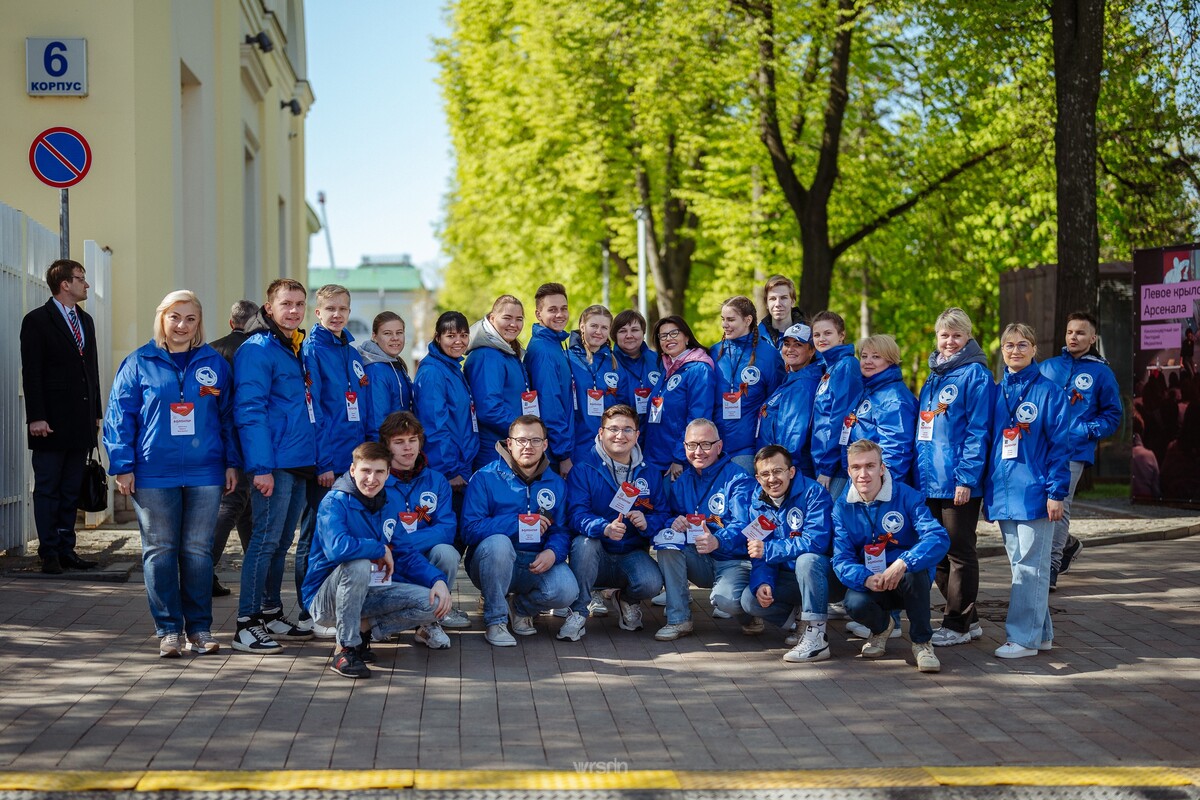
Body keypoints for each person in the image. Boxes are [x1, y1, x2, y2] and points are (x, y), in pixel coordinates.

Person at [103, 291, 239, 657]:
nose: (182, 325)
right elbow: (120, 417)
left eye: (190, 318)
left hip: (205, 472)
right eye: (175, 317)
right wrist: (122, 465)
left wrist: (231, 462)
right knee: (160, 550)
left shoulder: (214, 362)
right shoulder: (138, 362)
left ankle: (199, 629)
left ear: (199, 322)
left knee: (197, 551)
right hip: (153, 473)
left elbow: (228, 417)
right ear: (162, 318)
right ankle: (168, 630)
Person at [301, 442, 451, 679]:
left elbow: (405, 553)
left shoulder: (388, 504)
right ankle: (346, 649)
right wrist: (378, 548)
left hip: (370, 592)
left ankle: (363, 631)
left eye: (379, 472)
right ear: (352, 471)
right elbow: (337, 549)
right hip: (325, 600)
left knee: (434, 603)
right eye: (365, 471)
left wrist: (437, 580)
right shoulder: (334, 502)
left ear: (388, 473)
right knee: (358, 563)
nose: (372, 479)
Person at [232, 278, 320, 653]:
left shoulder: (295, 347)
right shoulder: (257, 349)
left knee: (282, 541)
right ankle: (246, 625)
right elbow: (250, 411)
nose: (294, 311)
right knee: (264, 542)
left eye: (300, 304)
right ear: (269, 308)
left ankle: (268, 611)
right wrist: (261, 467)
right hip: (275, 464)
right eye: (286, 304)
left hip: (300, 460)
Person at [985, 323, 1071, 659]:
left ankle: (1023, 639)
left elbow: (1060, 446)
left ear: (1035, 349)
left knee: (1030, 568)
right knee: (1023, 567)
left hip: (1035, 492)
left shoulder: (1050, 392)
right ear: (1002, 350)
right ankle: (1043, 633)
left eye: (1023, 345)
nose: (1015, 351)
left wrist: (1056, 492)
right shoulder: (996, 392)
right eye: (1009, 345)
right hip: (1005, 493)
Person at [832, 440, 950, 673]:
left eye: (870, 466)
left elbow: (938, 537)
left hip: (905, 579)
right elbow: (841, 559)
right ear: (849, 471)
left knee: (915, 574)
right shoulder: (842, 507)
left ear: (882, 468)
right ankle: (882, 628)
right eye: (856, 467)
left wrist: (904, 562)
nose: (863, 474)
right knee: (853, 603)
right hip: (873, 580)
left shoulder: (907, 496)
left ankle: (922, 643)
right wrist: (865, 578)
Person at [913, 308, 993, 647]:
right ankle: (969, 619)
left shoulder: (975, 374)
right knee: (939, 553)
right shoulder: (934, 374)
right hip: (931, 480)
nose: (950, 341)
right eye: (944, 335)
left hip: (957, 480)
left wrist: (966, 479)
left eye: (957, 335)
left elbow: (978, 431)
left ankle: (957, 623)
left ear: (968, 337)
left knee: (960, 553)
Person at [461, 416, 578, 646]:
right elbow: (469, 530)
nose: (528, 446)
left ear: (545, 445)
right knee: (499, 544)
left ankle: (519, 609)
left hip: (534, 561)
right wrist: (518, 523)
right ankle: (495, 620)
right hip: (491, 561)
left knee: (567, 590)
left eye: (535, 440)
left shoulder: (556, 483)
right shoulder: (485, 478)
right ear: (509, 443)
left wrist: (553, 552)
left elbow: (562, 531)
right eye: (521, 440)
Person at [296, 284, 371, 636]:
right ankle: (307, 608)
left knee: (344, 532)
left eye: (343, 308)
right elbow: (316, 411)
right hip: (328, 463)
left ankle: (337, 604)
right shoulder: (312, 350)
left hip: (355, 463)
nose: (338, 315)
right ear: (318, 313)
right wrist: (323, 463)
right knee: (315, 535)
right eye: (331, 310)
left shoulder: (352, 352)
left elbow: (363, 403)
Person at [20, 259, 102, 575]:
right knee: (48, 488)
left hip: (80, 420)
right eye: (81, 279)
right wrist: (36, 417)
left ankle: (68, 549)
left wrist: (95, 413)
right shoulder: (38, 321)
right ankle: (49, 551)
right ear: (64, 284)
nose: (87, 284)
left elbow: (90, 370)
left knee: (71, 488)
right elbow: (33, 372)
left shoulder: (86, 320)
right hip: (49, 423)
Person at [560, 405, 667, 641]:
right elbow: (575, 514)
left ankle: (625, 599)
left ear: (637, 435)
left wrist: (647, 522)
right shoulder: (584, 469)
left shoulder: (649, 472)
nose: (620, 435)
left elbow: (662, 512)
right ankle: (578, 612)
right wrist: (603, 527)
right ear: (600, 433)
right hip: (595, 552)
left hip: (630, 551)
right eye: (614, 429)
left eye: (628, 429)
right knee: (584, 543)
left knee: (651, 583)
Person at [1038, 312, 1123, 588]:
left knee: (1059, 503)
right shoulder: (1048, 367)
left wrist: (1085, 430)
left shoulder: (1102, 373)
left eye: (1080, 333)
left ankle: (1050, 567)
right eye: (1070, 332)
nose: (1074, 337)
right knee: (1040, 504)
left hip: (1074, 450)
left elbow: (1112, 415)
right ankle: (1068, 546)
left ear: (1092, 338)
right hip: (1041, 449)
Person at [654, 419, 760, 640]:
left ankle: (750, 614)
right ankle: (679, 619)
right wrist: (674, 523)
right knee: (668, 544)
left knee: (726, 601)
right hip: (700, 558)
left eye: (705, 445)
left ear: (719, 447)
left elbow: (745, 526)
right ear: (684, 448)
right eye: (692, 445)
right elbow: (670, 515)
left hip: (732, 559)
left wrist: (718, 540)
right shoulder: (683, 481)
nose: (698, 452)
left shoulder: (738, 479)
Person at [379, 411, 471, 647]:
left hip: (412, 553)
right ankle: (385, 617)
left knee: (447, 552)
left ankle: (430, 623)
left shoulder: (436, 480)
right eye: (399, 442)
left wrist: (402, 546)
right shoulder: (378, 481)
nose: (407, 448)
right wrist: (393, 549)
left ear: (421, 442)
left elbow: (446, 529)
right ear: (387, 446)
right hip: (386, 561)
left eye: (413, 440)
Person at [738, 445, 837, 663]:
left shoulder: (814, 493)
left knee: (807, 560)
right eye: (765, 474)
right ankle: (800, 621)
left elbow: (816, 542)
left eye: (777, 471)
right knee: (750, 600)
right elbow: (759, 552)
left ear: (790, 472)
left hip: (822, 576)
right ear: (757, 478)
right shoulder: (757, 502)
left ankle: (817, 636)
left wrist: (770, 549)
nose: (771, 479)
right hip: (788, 578)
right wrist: (763, 582)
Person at [208, 299, 259, 597]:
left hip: (218, 434)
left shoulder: (211, 351)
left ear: (231, 322)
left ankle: (258, 575)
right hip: (247, 435)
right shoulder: (258, 352)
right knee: (234, 503)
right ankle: (202, 571)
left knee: (245, 507)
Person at [413, 311, 479, 515]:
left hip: (463, 466)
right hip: (449, 474)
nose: (458, 341)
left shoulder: (452, 368)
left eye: (463, 335)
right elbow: (434, 426)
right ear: (438, 337)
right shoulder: (433, 372)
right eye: (451, 336)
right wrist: (450, 470)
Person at [710, 296, 785, 471]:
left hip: (748, 448)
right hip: (714, 448)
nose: (724, 324)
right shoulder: (714, 352)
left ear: (748, 320)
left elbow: (776, 406)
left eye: (730, 319)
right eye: (723, 319)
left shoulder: (769, 356)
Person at [643, 316, 716, 479]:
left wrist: (680, 457)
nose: (668, 338)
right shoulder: (667, 369)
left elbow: (698, 418)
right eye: (663, 336)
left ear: (687, 337)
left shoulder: (699, 369)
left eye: (674, 333)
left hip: (677, 463)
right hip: (655, 459)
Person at [840, 334, 917, 486]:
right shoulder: (869, 390)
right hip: (861, 479)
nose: (868, 361)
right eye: (864, 356)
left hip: (876, 486)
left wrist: (882, 486)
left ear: (890, 360)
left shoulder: (894, 398)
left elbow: (896, 450)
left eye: (876, 357)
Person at [466, 296, 531, 470]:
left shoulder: (507, 352)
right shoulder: (487, 356)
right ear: (492, 318)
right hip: (495, 452)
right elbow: (489, 409)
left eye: (519, 319)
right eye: (507, 318)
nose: (514, 324)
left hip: (511, 447)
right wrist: (527, 432)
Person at [756, 322, 821, 478]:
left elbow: (792, 437)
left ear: (811, 350)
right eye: (786, 344)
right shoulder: (792, 379)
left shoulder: (803, 385)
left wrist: (780, 471)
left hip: (788, 473)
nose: (790, 349)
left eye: (798, 345)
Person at [809, 311, 862, 499]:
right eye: (817, 335)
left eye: (827, 333)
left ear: (841, 336)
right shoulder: (828, 368)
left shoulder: (846, 365)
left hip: (836, 465)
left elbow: (841, 418)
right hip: (821, 460)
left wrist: (828, 467)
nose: (821, 338)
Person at [524, 284, 575, 473]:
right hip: (555, 453)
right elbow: (550, 404)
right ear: (538, 314)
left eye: (563, 308)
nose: (560, 314)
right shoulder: (544, 351)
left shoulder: (555, 344)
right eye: (552, 310)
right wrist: (564, 454)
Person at [568, 306, 623, 463]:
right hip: (576, 450)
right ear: (582, 326)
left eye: (604, 327)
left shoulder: (614, 364)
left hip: (609, 451)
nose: (599, 332)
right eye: (594, 326)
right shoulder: (567, 359)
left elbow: (623, 407)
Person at [357, 311, 414, 441]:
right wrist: (382, 458)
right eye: (387, 333)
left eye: (399, 332)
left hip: (400, 446)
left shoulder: (395, 364)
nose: (395, 338)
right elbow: (377, 424)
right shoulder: (376, 370)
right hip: (387, 451)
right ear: (374, 336)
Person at [611, 309, 661, 428]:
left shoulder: (659, 361)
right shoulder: (607, 364)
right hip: (621, 437)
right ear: (614, 336)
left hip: (655, 434)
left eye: (634, 330)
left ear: (643, 332)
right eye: (622, 331)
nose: (629, 335)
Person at [758, 274, 807, 347]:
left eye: (783, 298)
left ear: (792, 302)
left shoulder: (808, 336)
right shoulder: (755, 337)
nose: (778, 304)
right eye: (773, 299)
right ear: (766, 304)